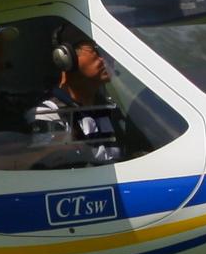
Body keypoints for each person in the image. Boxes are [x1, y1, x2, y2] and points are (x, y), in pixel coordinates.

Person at [28, 24, 134, 165]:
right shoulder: (47, 114)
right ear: (66, 57)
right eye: (98, 50)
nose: (108, 57)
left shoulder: (111, 110)